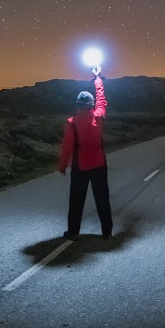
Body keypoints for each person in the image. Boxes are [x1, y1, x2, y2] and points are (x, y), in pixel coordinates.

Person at [56, 63, 111, 239]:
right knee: (102, 200)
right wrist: (97, 79)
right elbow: (102, 100)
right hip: (99, 166)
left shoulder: (71, 122)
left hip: (80, 169)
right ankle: (107, 232)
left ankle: (73, 231)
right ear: (92, 104)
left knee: (76, 201)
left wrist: (63, 165)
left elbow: (67, 147)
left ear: (78, 104)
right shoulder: (99, 116)